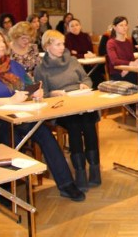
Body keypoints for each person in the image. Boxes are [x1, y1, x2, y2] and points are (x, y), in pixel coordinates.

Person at [0, 29, 85, 201]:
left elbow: (30, 85)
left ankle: (66, 184)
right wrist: (11, 100)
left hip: (19, 114)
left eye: (3, 41)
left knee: (45, 134)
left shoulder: (13, 66)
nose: (3, 44)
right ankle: (6, 193)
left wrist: (36, 91)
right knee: (11, 139)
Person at [35, 30, 101, 191]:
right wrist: (52, 93)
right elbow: (41, 94)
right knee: (75, 124)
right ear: (47, 46)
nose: (62, 47)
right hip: (61, 107)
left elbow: (86, 78)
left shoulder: (72, 60)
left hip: (80, 100)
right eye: (58, 44)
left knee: (89, 121)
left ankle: (94, 168)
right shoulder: (41, 69)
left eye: (63, 44)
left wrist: (85, 85)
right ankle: (79, 171)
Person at [106, 16, 138, 123]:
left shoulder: (128, 42)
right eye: (121, 25)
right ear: (115, 27)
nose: (124, 27)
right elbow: (114, 61)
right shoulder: (111, 42)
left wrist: (136, 62)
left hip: (129, 71)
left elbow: (131, 58)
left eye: (126, 25)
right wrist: (129, 64)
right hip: (118, 74)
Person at [64, 18, 104, 88]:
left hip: (88, 61)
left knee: (98, 69)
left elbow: (90, 50)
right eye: (72, 26)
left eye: (77, 25)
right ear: (68, 28)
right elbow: (70, 54)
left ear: (80, 26)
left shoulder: (85, 36)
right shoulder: (67, 38)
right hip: (76, 63)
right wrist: (83, 55)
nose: (75, 27)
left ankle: (99, 87)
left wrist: (80, 53)